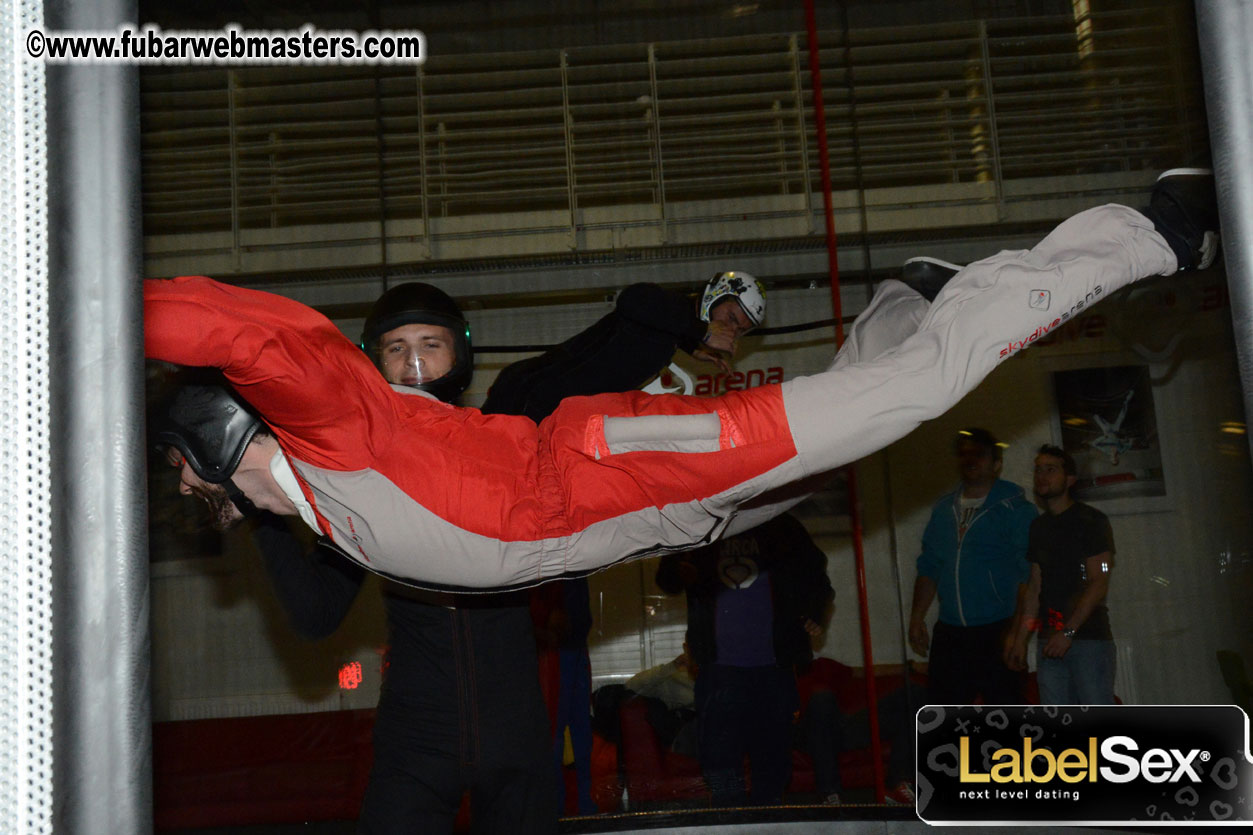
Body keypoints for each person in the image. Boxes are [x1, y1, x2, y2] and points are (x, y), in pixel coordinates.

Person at [147, 169, 1218, 591]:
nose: (195, 500)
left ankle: (1154, 233)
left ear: (213, 438)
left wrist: (92, 315)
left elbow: (254, 333)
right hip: (666, 509)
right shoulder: (317, 510)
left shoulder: (338, 431)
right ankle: (902, 298)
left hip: (633, 464)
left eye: (188, 476)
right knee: (862, 426)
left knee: (916, 393)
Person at [247, 282, 557, 835]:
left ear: (459, 353)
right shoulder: (362, 483)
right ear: (375, 363)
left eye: (430, 344)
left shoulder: (506, 446)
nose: (414, 362)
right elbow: (317, 614)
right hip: (418, 736)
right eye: (396, 348)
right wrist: (262, 506)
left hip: (516, 731)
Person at [479, 272, 766, 815]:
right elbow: (636, 295)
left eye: (740, 330)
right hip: (522, 407)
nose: (731, 332)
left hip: (539, 426)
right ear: (709, 301)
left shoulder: (662, 342)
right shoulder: (664, 313)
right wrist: (701, 329)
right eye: (729, 318)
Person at [655, 512, 833, 806]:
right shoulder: (700, 521)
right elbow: (667, 580)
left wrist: (814, 611)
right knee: (721, 772)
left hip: (773, 667)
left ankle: (769, 822)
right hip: (718, 671)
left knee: (773, 770)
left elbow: (816, 576)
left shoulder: (779, 522)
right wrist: (679, 568)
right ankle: (729, 824)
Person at [907, 427, 1037, 705]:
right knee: (944, 718)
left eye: (979, 455)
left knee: (1004, 718)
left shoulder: (1015, 510)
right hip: (951, 632)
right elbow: (929, 565)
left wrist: (1018, 635)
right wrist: (917, 617)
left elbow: (1030, 578)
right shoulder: (943, 510)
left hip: (998, 628)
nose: (970, 461)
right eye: (964, 455)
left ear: (997, 464)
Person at [1004, 445, 1118, 704]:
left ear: (1069, 480)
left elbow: (1100, 579)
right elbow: (1035, 587)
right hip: (1048, 642)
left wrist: (1068, 633)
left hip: (1087, 640)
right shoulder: (1038, 527)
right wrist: (1021, 639)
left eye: (1051, 469)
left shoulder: (1092, 521)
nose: (1042, 476)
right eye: (1038, 470)